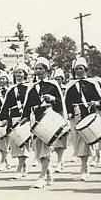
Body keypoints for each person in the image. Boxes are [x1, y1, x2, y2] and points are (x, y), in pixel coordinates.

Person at [21, 57, 65, 189]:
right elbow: (27, 104)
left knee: (45, 148)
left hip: (48, 118)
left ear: (47, 70)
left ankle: (41, 177)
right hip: (36, 118)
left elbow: (60, 104)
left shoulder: (53, 85)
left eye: (41, 68)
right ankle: (48, 171)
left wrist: (53, 99)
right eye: (37, 68)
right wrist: (25, 116)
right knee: (38, 149)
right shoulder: (32, 87)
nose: (38, 71)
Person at [64, 57, 101, 181]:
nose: (79, 71)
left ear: (85, 69)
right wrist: (69, 112)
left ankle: (86, 165)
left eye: (81, 68)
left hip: (90, 114)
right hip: (76, 114)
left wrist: (95, 103)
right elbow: (67, 101)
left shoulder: (92, 83)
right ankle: (83, 165)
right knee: (79, 140)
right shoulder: (71, 85)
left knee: (88, 139)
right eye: (76, 69)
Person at [0, 63, 31, 180]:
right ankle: (24, 165)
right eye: (17, 72)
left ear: (25, 74)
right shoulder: (11, 90)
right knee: (16, 144)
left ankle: (19, 169)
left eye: (21, 72)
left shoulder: (30, 87)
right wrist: (4, 119)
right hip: (13, 117)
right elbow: (6, 106)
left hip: (25, 118)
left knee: (23, 143)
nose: (18, 74)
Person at [51, 67, 69, 173]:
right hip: (54, 115)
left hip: (63, 115)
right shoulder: (51, 89)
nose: (58, 81)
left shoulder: (66, 89)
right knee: (55, 139)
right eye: (56, 78)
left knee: (62, 139)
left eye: (59, 79)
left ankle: (59, 161)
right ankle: (60, 161)